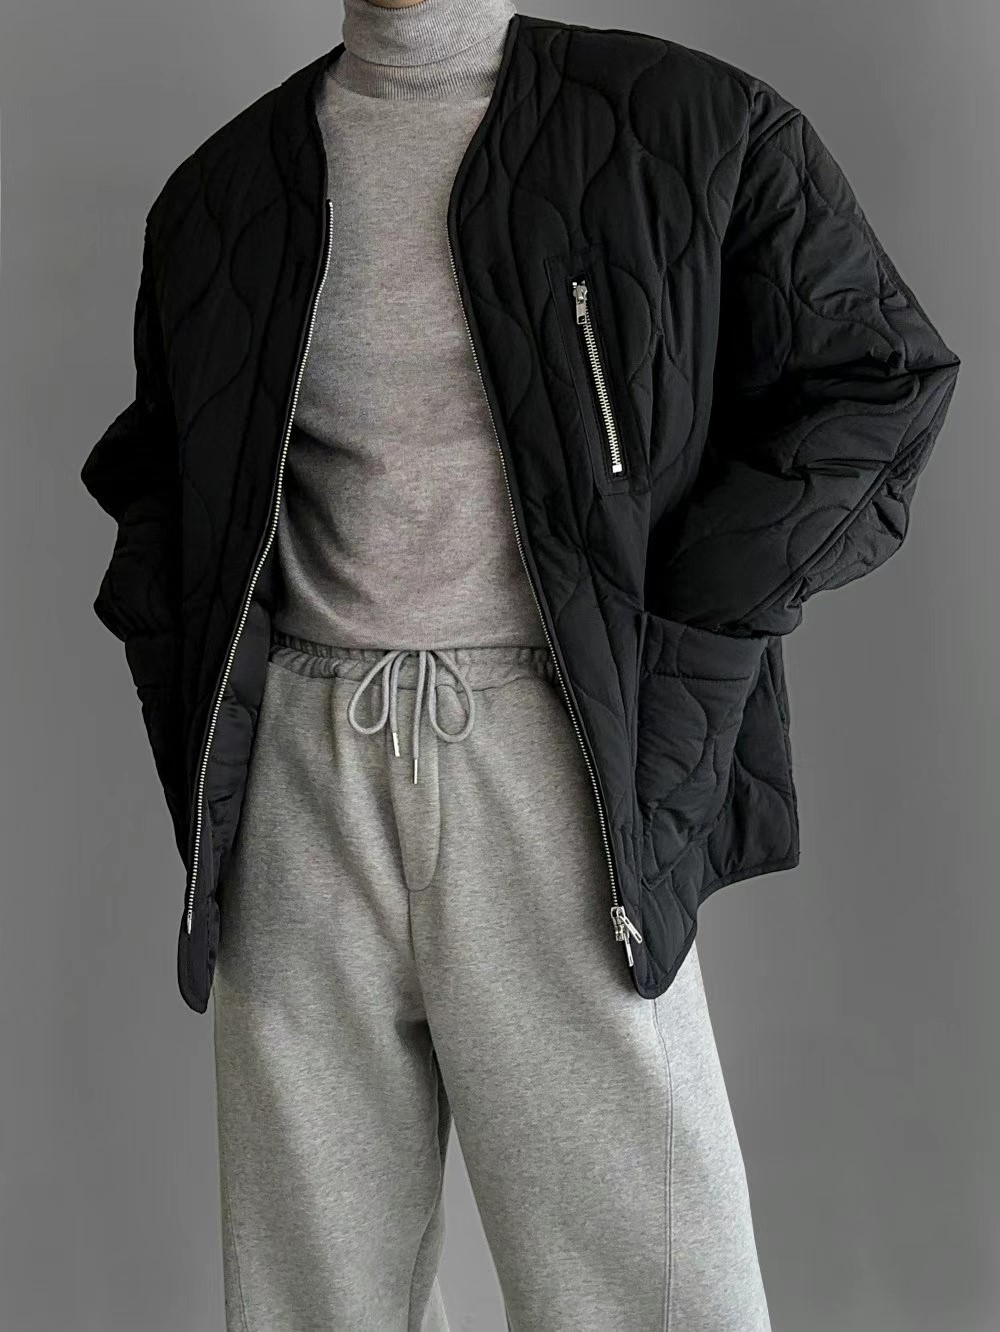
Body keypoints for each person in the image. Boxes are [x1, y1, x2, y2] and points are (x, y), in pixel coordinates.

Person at [79, 0, 961, 1327]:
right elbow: (161, 478)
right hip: (301, 783)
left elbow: (877, 377)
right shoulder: (223, 191)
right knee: (314, 1297)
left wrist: (684, 623)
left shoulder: (688, 125)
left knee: (649, 1292)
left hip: (544, 758)